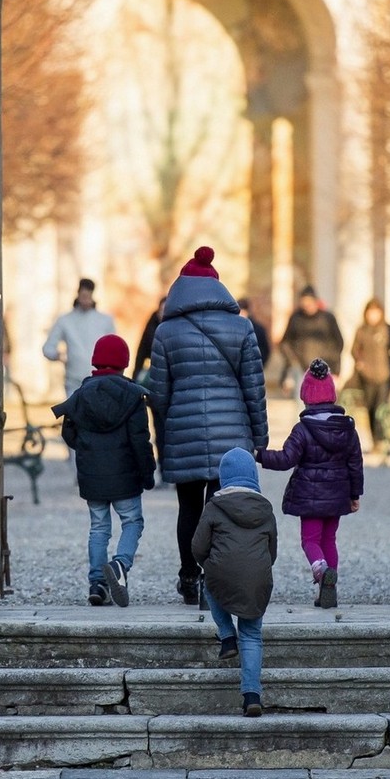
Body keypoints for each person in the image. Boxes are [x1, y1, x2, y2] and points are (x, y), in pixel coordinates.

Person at [146, 246, 270, 605]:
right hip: (231, 435)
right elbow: (253, 387)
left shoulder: (165, 332)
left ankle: (190, 576)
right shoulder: (241, 327)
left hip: (183, 431)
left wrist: (165, 438)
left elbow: (159, 393)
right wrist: (259, 437)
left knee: (188, 508)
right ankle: (216, 578)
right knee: (225, 505)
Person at [55, 334, 156, 608]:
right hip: (125, 474)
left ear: (95, 361)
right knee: (132, 522)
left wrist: (88, 451)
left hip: (92, 475)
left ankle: (98, 583)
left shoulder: (80, 395)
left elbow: (69, 434)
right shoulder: (133, 396)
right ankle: (121, 565)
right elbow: (140, 440)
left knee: (99, 528)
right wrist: (148, 473)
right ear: (124, 363)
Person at [257, 358, 363, 609]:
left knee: (310, 541)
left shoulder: (302, 430)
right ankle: (330, 587)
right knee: (329, 540)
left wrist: (259, 455)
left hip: (310, 497)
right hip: (338, 496)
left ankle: (320, 570)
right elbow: (355, 464)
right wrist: (355, 494)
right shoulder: (347, 429)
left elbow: (285, 459)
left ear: (306, 397)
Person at [193, 447, 277, 717]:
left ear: (223, 477)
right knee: (252, 635)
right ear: (253, 475)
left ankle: (227, 635)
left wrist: (210, 564)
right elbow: (272, 550)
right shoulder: (265, 509)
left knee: (209, 583)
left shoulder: (214, 506)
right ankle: (252, 696)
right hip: (258, 579)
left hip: (221, 572)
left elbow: (198, 547)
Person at [43, 278, 117, 397]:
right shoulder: (65, 320)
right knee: (76, 413)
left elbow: (114, 348)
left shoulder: (105, 320)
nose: (85, 299)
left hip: (99, 379)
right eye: (83, 295)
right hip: (74, 380)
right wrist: (59, 355)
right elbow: (48, 348)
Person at [348, 298, 390, 455]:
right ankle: (374, 440)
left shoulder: (387, 329)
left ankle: (382, 439)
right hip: (367, 376)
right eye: (370, 312)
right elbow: (354, 350)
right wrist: (360, 363)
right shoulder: (362, 330)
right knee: (370, 408)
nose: (373, 316)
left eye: (376, 312)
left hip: (384, 375)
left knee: (381, 408)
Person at [278, 287, 343, 395]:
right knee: (302, 403)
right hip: (301, 369)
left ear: (315, 301)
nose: (307, 304)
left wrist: (335, 369)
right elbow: (285, 343)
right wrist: (293, 361)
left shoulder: (327, 318)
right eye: (304, 301)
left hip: (325, 368)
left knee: (324, 402)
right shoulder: (296, 318)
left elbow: (338, 343)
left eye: (309, 301)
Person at [133, 296, 165, 383]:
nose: (163, 314)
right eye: (161, 310)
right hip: (152, 368)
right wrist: (136, 375)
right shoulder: (151, 325)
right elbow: (142, 351)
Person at [238, 298, 271, 376]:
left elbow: (265, 349)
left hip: (253, 367)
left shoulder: (258, 329)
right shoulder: (231, 328)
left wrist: (259, 364)